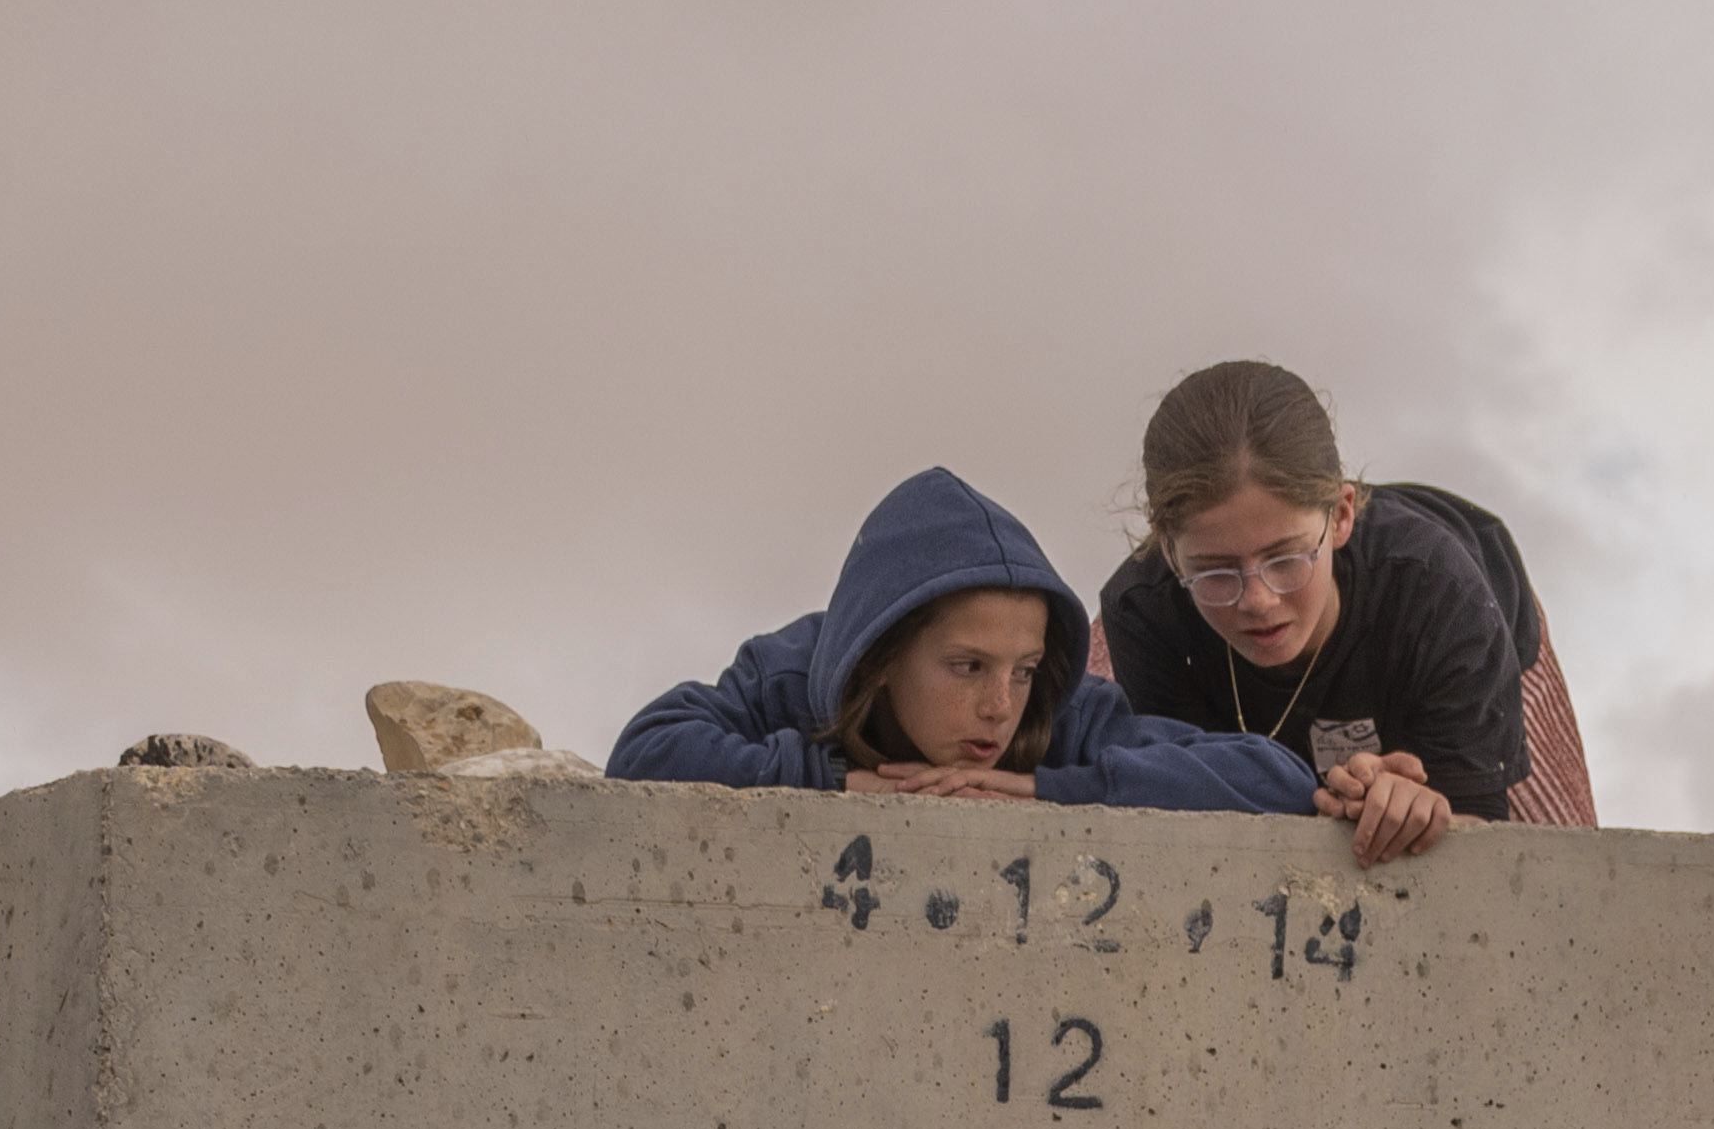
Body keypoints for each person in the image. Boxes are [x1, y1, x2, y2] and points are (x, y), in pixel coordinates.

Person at [611, 471, 1314, 814]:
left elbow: (1275, 779)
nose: (999, 707)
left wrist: (1046, 788)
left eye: (1024, 669)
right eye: (967, 666)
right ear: (882, 656)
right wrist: (834, 782)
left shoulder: (1059, 712)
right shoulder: (790, 675)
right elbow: (644, 751)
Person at [1095, 363, 1565, 870]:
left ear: (1341, 515)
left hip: (1469, 635)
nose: (1257, 600)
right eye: (1216, 572)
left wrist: (1419, 810)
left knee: (1547, 863)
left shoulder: (1446, 596)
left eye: (1286, 559)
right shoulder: (1140, 609)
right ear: (1167, 551)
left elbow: (1484, 826)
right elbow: (1186, 807)